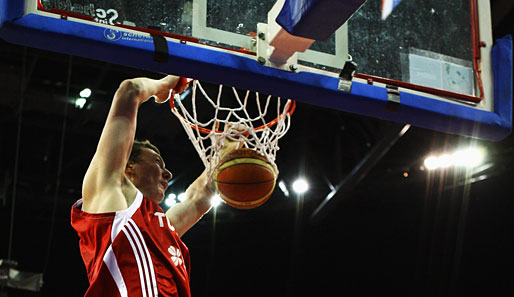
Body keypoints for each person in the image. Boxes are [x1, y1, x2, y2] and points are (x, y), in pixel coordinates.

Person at [71, 75, 216, 297]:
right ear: (129, 167)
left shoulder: (161, 227)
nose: (168, 173)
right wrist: (165, 85)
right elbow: (130, 90)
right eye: (157, 162)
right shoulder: (109, 193)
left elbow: (201, 197)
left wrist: (227, 148)